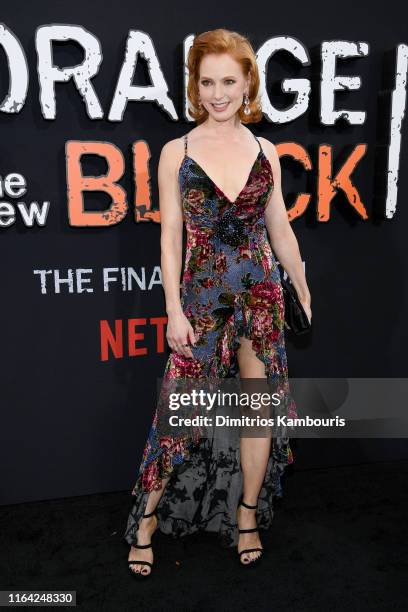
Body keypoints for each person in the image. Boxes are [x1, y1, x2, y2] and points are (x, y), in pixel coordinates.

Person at [125, 28, 312, 578]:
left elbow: (279, 228)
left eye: (228, 81)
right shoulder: (176, 152)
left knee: (258, 412)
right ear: (195, 85)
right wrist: (173, 311)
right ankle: (146, 520)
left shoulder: (265, 150)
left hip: (260, 294)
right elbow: (170, 239)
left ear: (248, 82)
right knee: (178, 411)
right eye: (207, 81)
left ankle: (247, 515)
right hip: (203, 298)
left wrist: (300, 284)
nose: (217, 93)